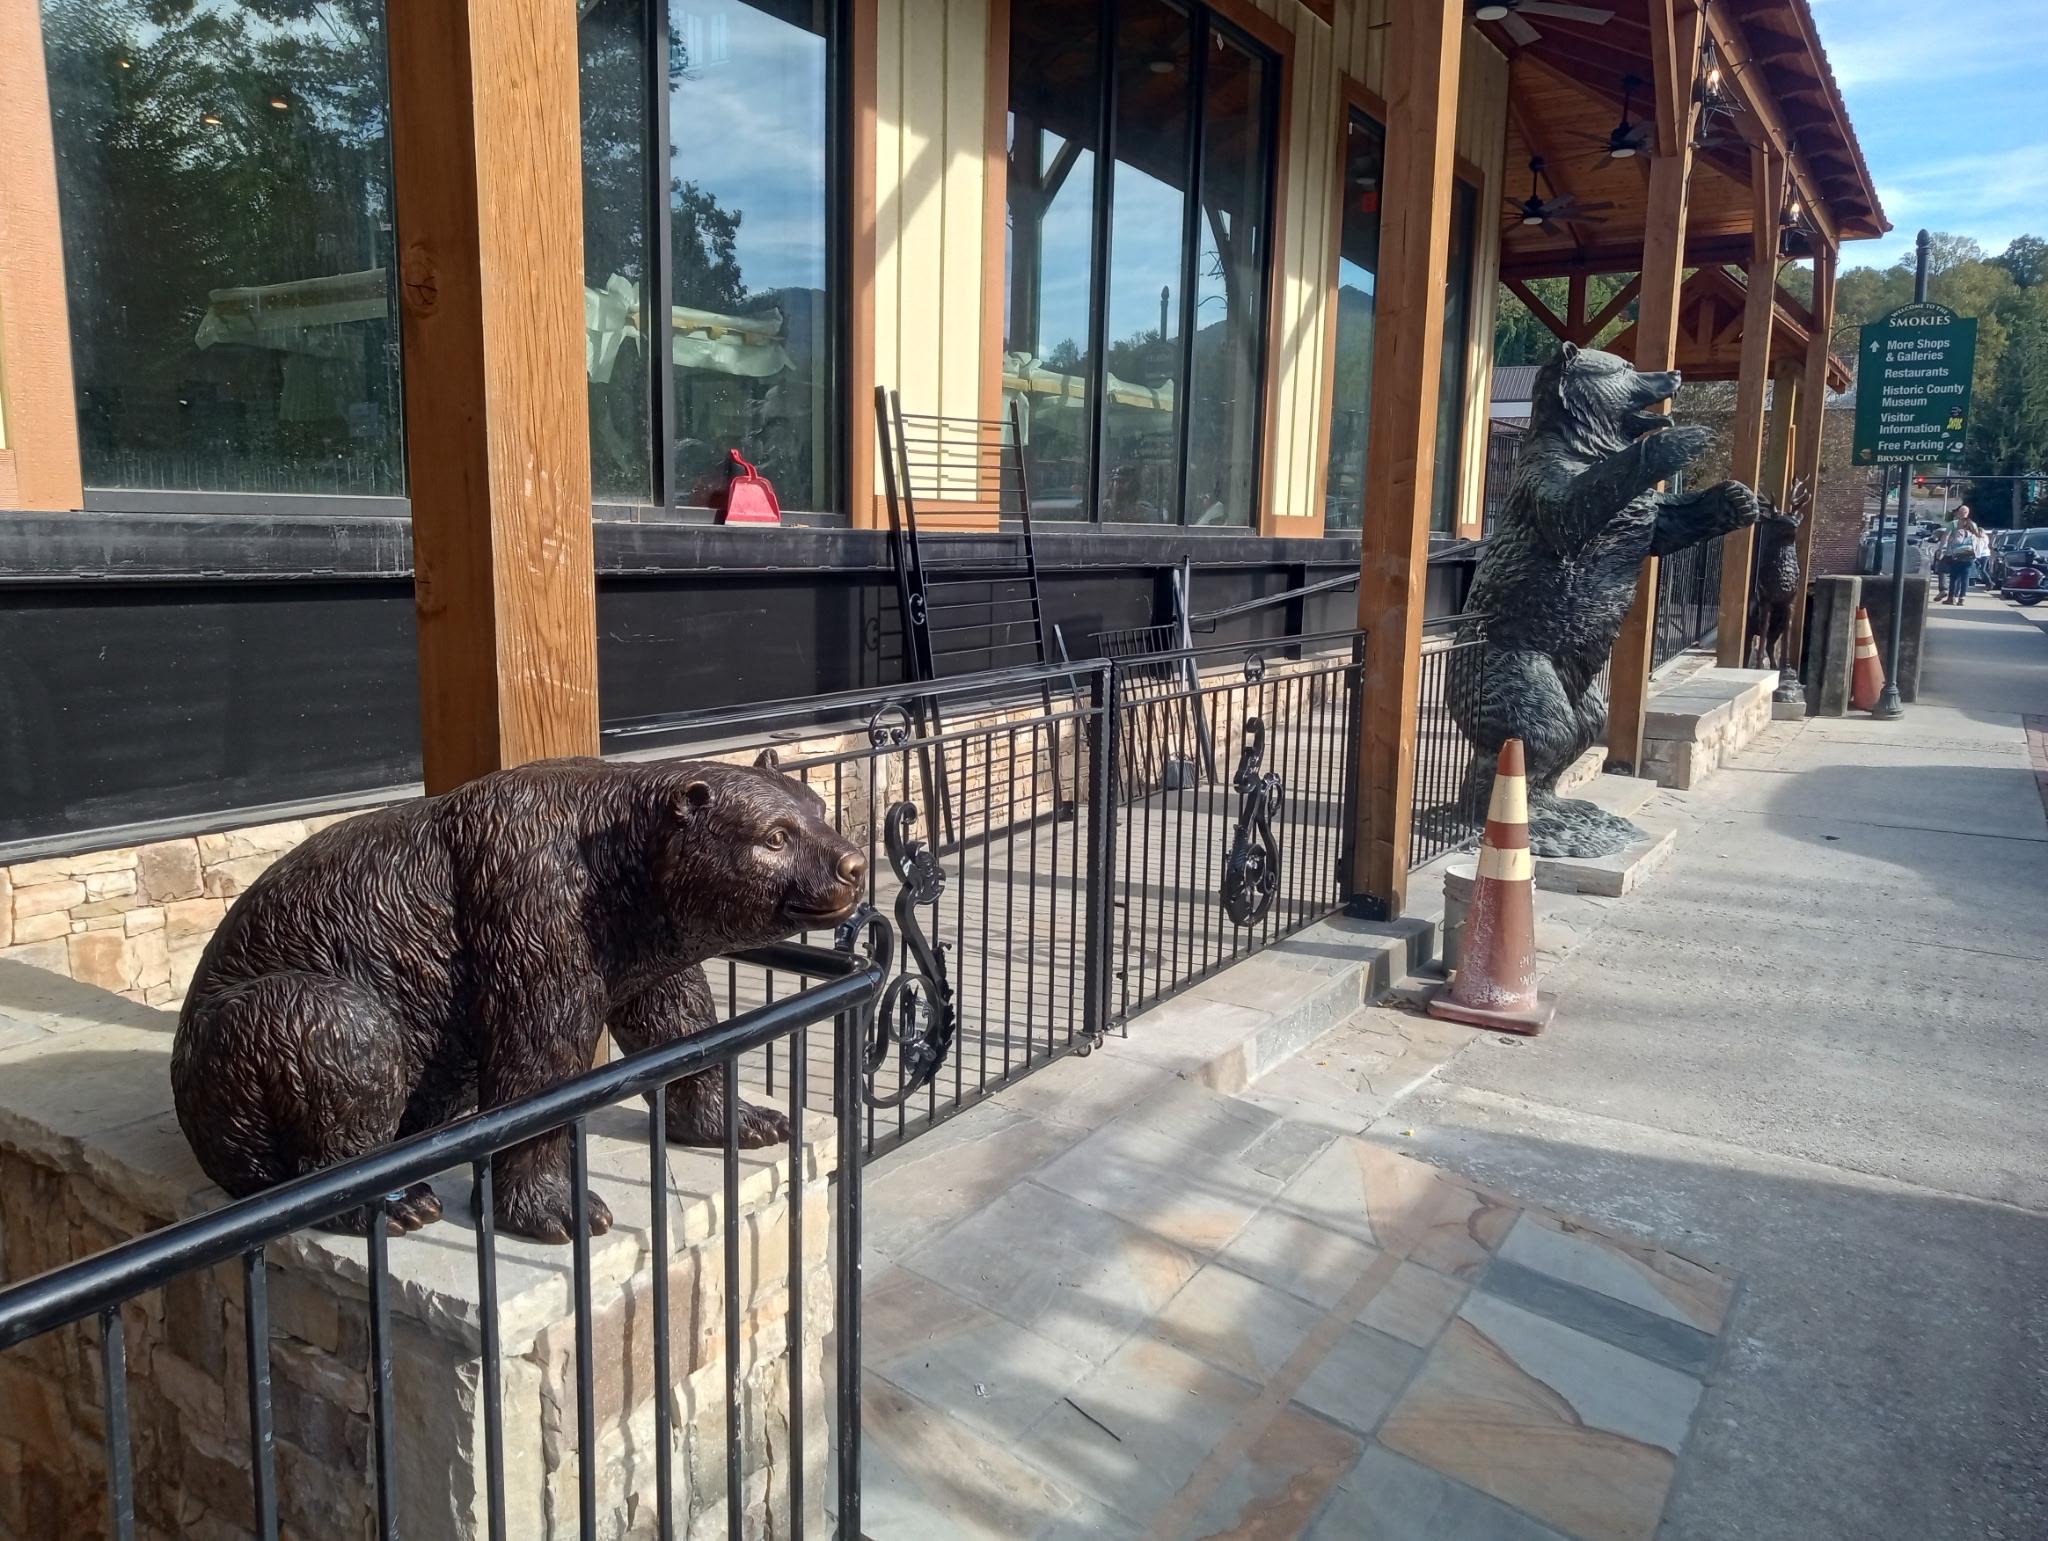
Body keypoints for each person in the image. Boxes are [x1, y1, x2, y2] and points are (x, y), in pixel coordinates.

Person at [1935, 511, 1981, 604]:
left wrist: (1951, 540)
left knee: (1954, 578)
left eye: (1959, 523)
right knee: (1965, 578)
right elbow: (1978, 547)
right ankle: (1962, 598)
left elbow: (1958, 542)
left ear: (1964, 524)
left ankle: (1951, 598)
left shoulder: (1960, 531)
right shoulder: (1974, 534)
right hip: (1970, 558)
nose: (1958, 524)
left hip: (1959, 557)